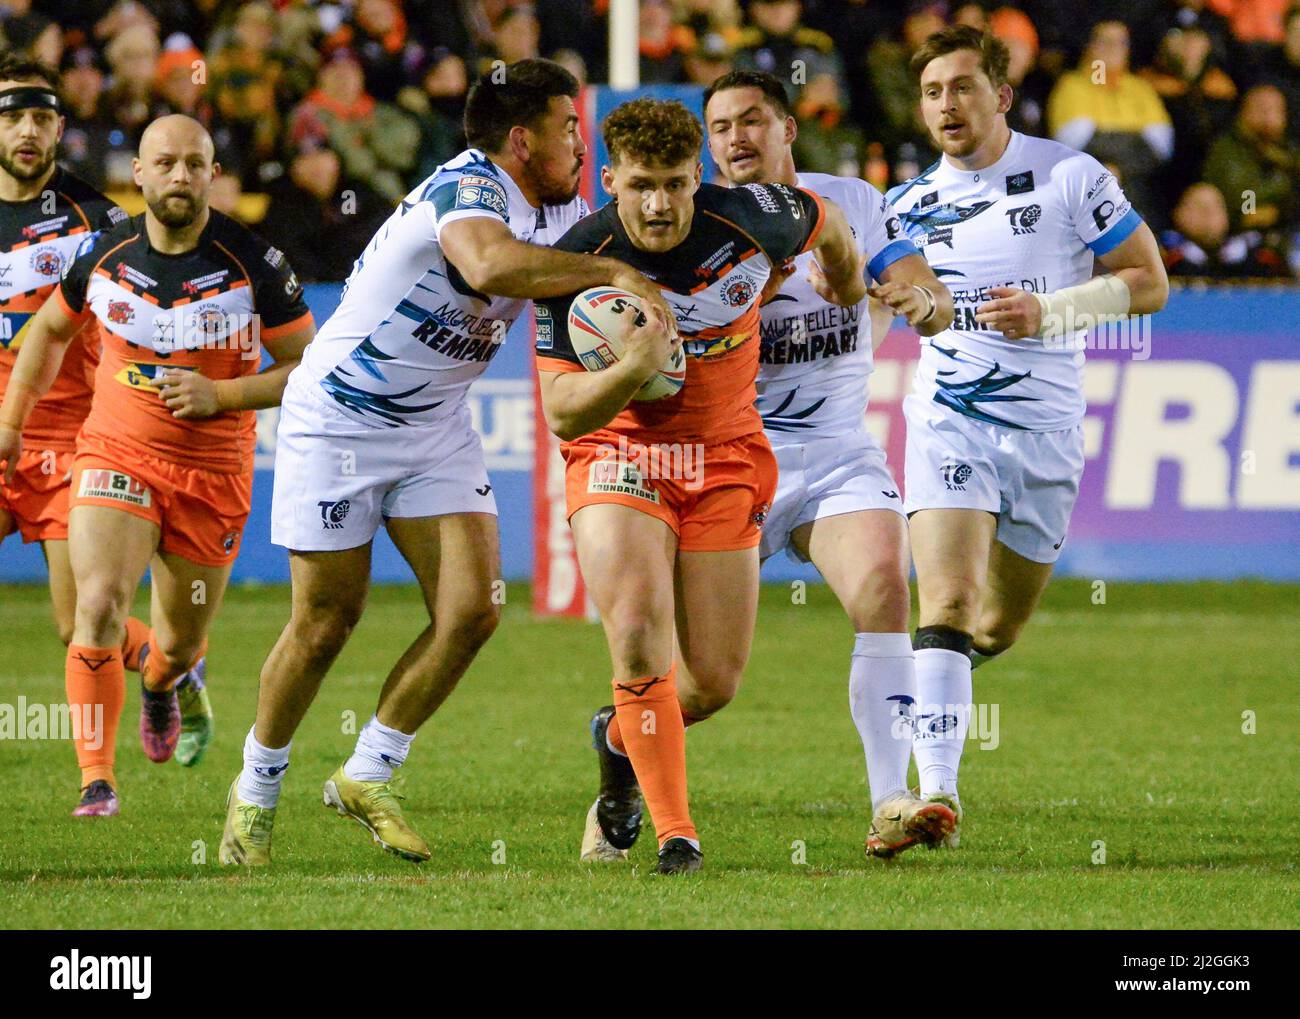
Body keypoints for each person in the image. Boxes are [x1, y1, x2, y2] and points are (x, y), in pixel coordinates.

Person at [219, 59, 674, 867]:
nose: (580, 141)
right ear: (522, 138)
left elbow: (635, 221)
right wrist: (609, 271)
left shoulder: (558, 203)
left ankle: (369, 770)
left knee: (473, 609)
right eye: (570, 128)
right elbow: (491, 266)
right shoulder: (471, 186)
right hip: (339, 419)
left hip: (433, 426)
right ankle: (254, 792)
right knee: (326, 622)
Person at [534, 97, 867, 874]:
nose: (659, 204)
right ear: (610, 178)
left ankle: (617, 741)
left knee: (712, 680)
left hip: (724, 457)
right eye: (642, 184)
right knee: (641, 630)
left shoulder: (757, 218)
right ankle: (675, 834)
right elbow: (559, 413)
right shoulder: (575, 260)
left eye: (677, 184)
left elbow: (831, 225)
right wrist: (630, 368)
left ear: (698, 178)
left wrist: (845, 280)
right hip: (620, 456)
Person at [887, 26, 1168, 843]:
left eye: (964, 87)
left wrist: (1054, 311)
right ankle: (934, 794)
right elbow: (870, 316)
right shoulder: (905, 208)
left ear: (1001, 96)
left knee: (995, 627)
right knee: (943, 599)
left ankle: (930, 695)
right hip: (947, 417)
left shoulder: (1070, 177)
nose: (948, 104)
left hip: (1045, 430)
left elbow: (1148, 283)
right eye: (934, 91)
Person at [0, 114, 316, 817]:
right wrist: (13, 421)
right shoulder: (103, 253)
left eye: (194, 165)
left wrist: (225, 394)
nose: (180, 176)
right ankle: (96, 780)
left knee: (176, 639)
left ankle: (166, 679)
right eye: (164, 163)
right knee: (98, 604)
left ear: (212, 175)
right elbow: (49, 330)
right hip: (114, 449)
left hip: (213, 471)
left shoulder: (254, 263)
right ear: (137, 174)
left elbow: (308, 367)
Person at [704, 69, 958, 858]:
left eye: (753, 120)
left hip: (838, 452)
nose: (737, 137)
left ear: (788, 129)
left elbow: (919, 282)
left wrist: (922, 299)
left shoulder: (848, 200)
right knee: (701, 681)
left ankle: (890, 800)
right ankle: (620, 755)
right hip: (731, 455)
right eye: (720, 127)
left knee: (886, 585)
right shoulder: (698, 226)